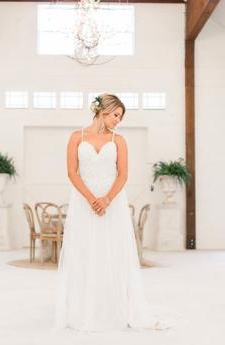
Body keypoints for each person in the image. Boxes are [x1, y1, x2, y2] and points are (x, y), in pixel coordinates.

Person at [54, 93, 167, 332]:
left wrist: (106, 199)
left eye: (120, 117)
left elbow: (123, 174)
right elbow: (72, 173)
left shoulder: (120, 140)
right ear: (104, 110)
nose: (118, 120)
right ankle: (84, 309)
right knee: (84, 252)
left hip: (112, 203)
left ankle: (113, 307)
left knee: (112, 251)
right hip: (84, 203)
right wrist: (91, 198)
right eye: (116, 115)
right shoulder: (76, 137)